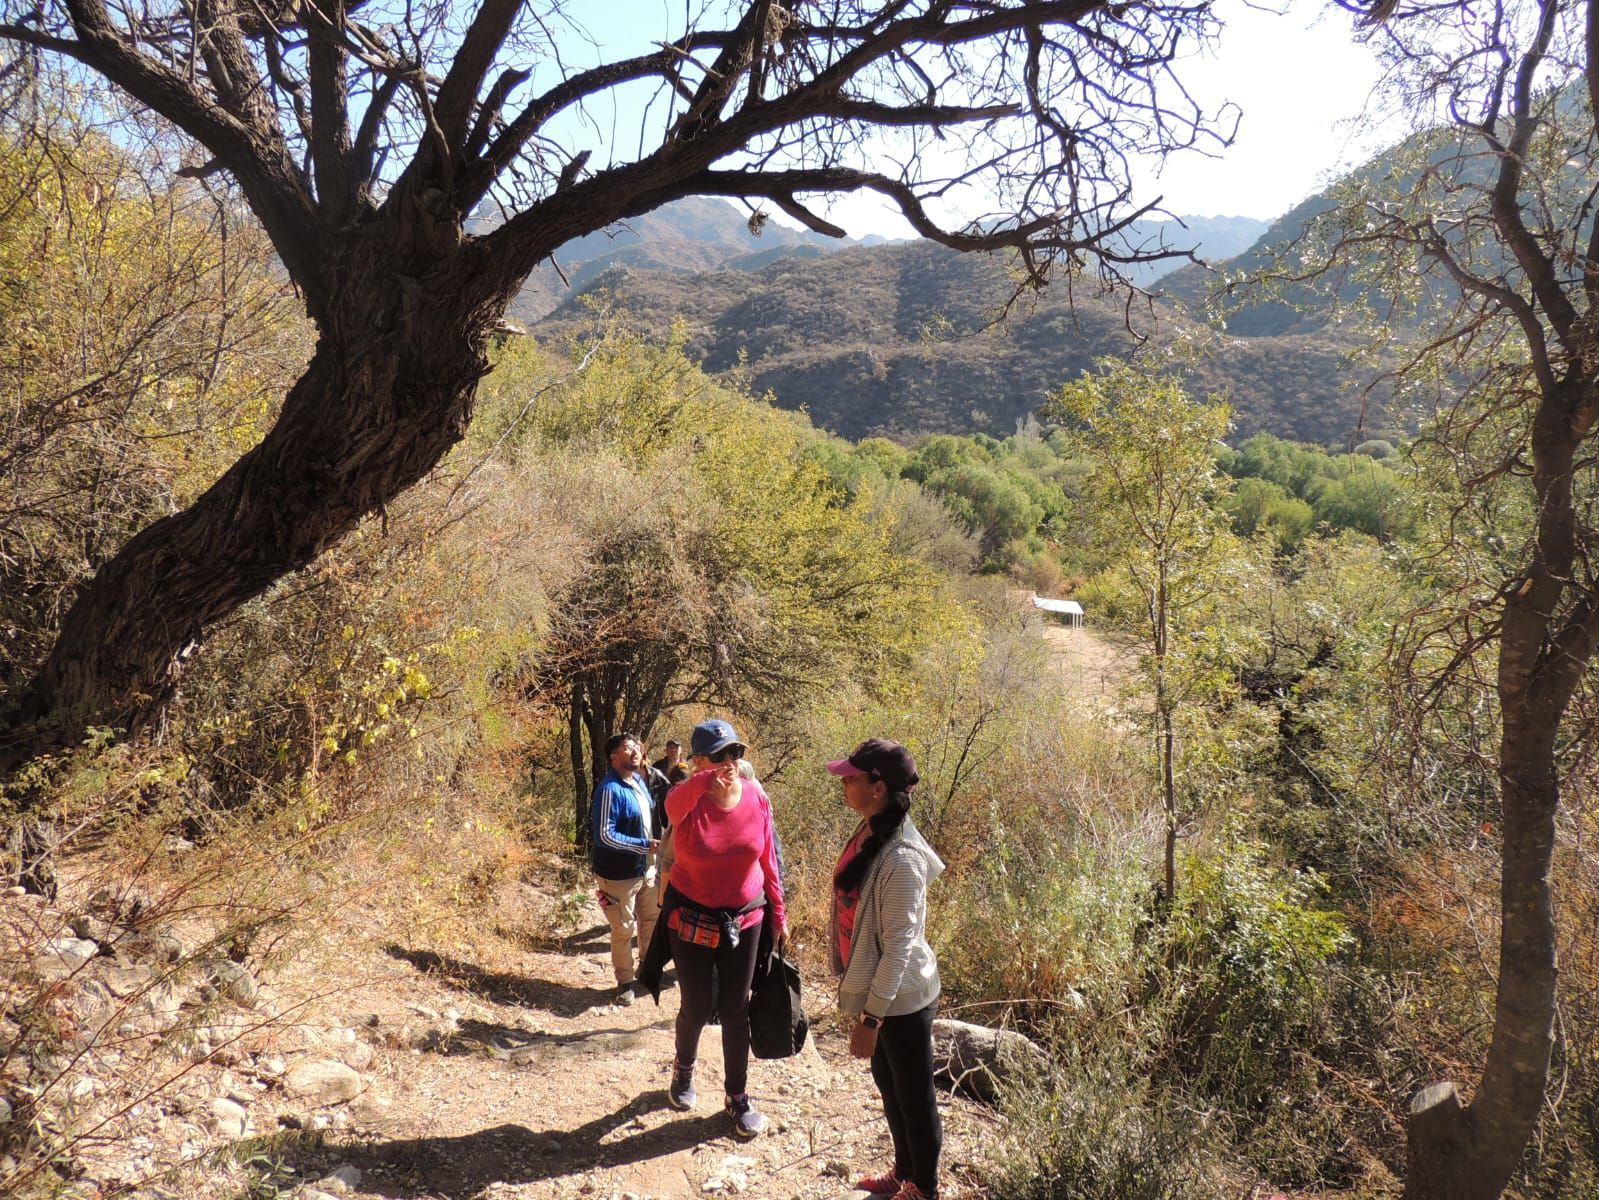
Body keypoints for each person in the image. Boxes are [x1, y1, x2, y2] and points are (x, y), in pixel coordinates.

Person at [658, 718, 786, 1138]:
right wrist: (703, 780)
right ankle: (684, 1068)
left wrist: (778, 914)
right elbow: (672, 808)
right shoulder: (686, 798)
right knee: (696, 1006)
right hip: (691, 915)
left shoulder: (755, 797)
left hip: (746, 915)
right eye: (719, 755)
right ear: (698, 761)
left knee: (735, 1009)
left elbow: (768, 860)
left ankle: (736, 1096)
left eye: (735, 753)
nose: (730, 762)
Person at [829, 738, 944, 1200]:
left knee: (915, 1098)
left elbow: (898, 950)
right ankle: (904, 1171)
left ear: (877, 786)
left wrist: (871, 1020)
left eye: (852, 776)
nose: (844, 782)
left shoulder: (901, 859)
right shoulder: (871, 830)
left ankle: (925, 1188)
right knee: (890, 1086)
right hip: (882, 994)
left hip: (901, 999)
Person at [590, 732, 661, 1007]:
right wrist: (644, 845)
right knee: (623, 929)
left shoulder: (639, 783)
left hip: (647, 869)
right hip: (618, 875)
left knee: (650, 922)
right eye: (626, 748)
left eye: (635, 747)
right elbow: (604, 836)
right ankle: (624, 983)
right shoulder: (609, 789)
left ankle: (647, 969)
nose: (633, 751)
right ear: (613, 757)